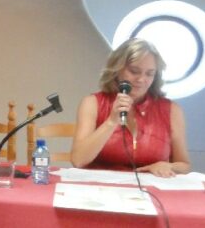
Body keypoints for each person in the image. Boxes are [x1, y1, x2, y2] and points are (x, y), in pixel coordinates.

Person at [70, 38, 191, 177]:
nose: (141, 79)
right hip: (100, 185)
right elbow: (78, 160)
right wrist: (111, 122)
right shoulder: (92, 103)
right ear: (117, 70)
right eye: (134, 71)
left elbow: (184, 165)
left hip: (149, 187)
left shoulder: (172, 110)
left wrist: (168, 166)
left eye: (149, 74)